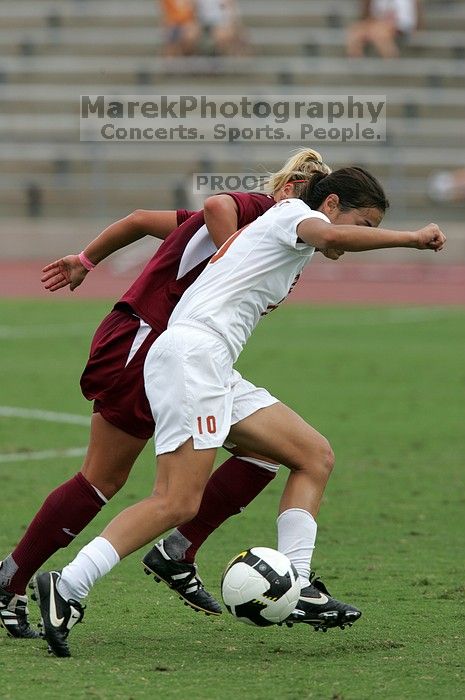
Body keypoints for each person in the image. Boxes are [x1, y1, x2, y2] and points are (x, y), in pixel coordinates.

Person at [32, 167, 446, 657]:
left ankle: (296, 582)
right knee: (176, 501)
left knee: (312, 455)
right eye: (367, 223)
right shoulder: (297, 215)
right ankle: (69, 586)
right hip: (192, 358)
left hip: (211, 363)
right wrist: (413, 238)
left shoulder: (293, 237)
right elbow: (326, 232)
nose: (364, 235)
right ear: (331, 203)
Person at [0, 149, 332, 639]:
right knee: (105, 479)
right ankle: (15, 580)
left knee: (270, 451)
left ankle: (175, 551)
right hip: (149, 339)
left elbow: (138, 220)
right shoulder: (263, 212)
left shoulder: (279, 234)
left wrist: (87, 260)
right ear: (292, 188)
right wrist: (229, 254)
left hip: (178, 353)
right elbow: (217, 206)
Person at [346, 0, 421, 59]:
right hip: (379, 25)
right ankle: (356, 63)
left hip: (399, 26)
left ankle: (391, 62)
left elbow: (405, 21)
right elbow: (374, 16)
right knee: (355, 30)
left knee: (379, 33)